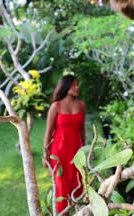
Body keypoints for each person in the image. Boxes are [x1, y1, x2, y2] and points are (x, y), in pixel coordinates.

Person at [42, 75, 85, 213]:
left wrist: (85, 150)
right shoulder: (56, 106)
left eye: (77, 85)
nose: (77, 87)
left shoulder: (81, 105)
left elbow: (82, 129)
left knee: (78, 182)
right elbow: (48, 132)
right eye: (74, 85)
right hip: (59, 151)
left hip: (76, 150)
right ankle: (62, 213)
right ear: (66, 87)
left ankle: (78, 211)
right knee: (61, 186)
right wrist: (45, 154)